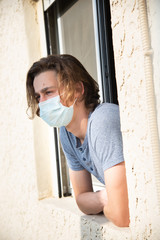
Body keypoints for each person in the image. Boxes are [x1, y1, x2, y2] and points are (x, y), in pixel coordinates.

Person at [26, 54, 130, 227]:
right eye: (38, 97)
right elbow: (81, 200)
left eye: (48, 92)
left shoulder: (102, 121)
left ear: (78, 90)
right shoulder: (67, 134)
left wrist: (104, 202)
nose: (42, 103)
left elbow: (122, 216)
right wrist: (106, 197)